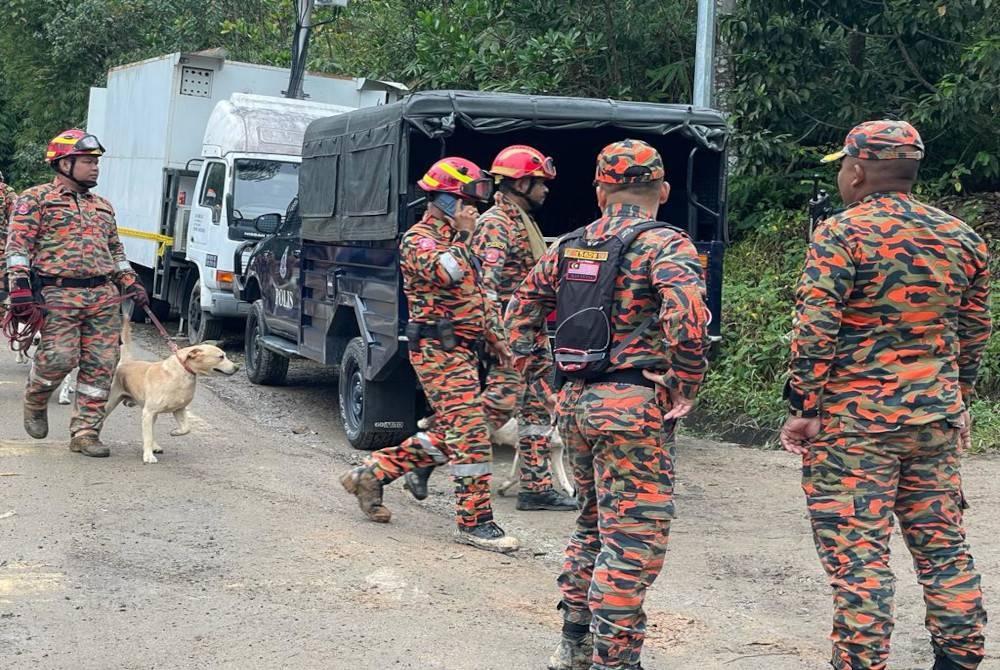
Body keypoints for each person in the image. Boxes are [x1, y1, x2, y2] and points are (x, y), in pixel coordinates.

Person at [780, 120, 990, 670]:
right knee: (943, 547)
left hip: (855, 428)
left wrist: (805, 408)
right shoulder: (963, 238)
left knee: (860, 559)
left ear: (856, 170)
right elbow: (975, 334)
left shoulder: (840, 234)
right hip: (936, 420)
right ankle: (961, 658)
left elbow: (814, 330)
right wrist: (958, 397)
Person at [506, 139, 709, 670]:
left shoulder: (571, 244)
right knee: (633, 539)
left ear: (599, 190)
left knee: (592, 523)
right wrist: (687, 381)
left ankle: (573, 645)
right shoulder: (666, 243)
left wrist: (545, 382)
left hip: (576, 402)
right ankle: (617, 662)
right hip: (635, 405)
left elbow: (518, 316)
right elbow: (688, 318)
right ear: (663, 190)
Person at [339, 156, 520, 554]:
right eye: (469, 200)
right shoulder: (420, 239)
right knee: (470, 433)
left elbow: (478, 296)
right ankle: (476, 521)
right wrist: (467, 236)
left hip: (466, 350)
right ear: (447, 199)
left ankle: (375, 472)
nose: (476, 208)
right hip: (438, 350)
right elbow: (446, 273)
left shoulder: (459, 241)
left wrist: (498, 339)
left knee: (477, 418)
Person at [403, 145, 576, 512]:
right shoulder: (496, 224)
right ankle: (423, 456)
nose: (546, 190)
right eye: (540, 183)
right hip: (512, 333)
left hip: (527, 332)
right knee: (498, 407)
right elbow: (486, 287)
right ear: (521, 183)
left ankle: (535, 485)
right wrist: (501, 339)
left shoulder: (521, 222)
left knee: (534, 411)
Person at [5, 128, 148, 456]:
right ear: (63, 164)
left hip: (103, 297)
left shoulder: (103, 206)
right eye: (87, 161)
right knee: (59, 357)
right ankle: (37, 396)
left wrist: (131, 282)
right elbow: (18, 247)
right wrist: (20, 288)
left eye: (96, 162)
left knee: (101, 364)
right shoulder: (36, 199)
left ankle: (85, 432)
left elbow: (115, 251)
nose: (95, 167)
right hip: (58, 295)